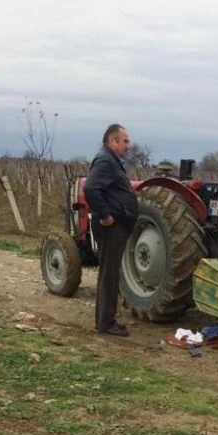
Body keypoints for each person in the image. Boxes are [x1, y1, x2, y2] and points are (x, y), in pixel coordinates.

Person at [83, 124, 138, 336]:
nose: (128, 145)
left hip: (117, 226)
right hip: (111, 228)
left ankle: (105, 319)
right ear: (112, 141)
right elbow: (90, 188)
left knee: (110, 272)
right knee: (109, 273)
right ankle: (106, 323)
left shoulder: (111, 161)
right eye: (125, 141)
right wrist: (105, 215)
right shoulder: (106, 160)